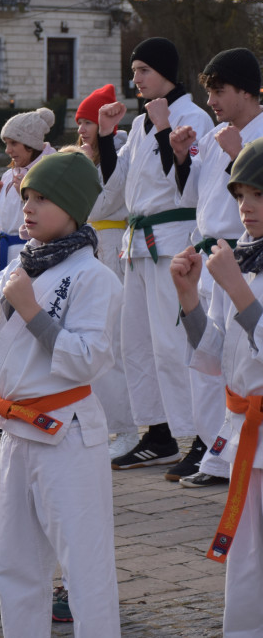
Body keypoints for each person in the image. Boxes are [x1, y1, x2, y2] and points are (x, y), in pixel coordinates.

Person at [0, 152, 121, 637]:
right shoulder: (18, 266)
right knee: (15, 565)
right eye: (26, 196)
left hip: (66, 432)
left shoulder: (96, 278)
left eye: (42, 198)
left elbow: (88, 358)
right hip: (16, 430)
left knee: (83, 563)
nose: (27, 207)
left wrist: (31, 312)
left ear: (72, 209)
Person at [97, 37, 215, 473]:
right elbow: (118, 186)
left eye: (143, 70)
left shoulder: (192, 117)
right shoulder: (146, 121)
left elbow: (189, 182)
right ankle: (159, 432)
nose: (136, 79)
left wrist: (166, 128)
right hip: (139, 246)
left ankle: (203, 437)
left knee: (176, 345)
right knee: (137, 346)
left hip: (173, 244)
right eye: (134, 71)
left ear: (165, 70)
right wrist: (108, 137)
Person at [170, 138, 263, 636]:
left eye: (259, 195)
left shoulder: (238, 272)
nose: (246, 207)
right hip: (246, 428)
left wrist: (238, 289)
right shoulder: (242, 260)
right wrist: (189, 298)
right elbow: (216, 356)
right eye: (241, 194)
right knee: (246, 554)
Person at [169, 48, 263, 488]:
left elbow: (249, 196)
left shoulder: (253, 137)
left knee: (246, 352)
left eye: (220, 90)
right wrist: (183, 157)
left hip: (244, 254)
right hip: (209, 252)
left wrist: (238, 152)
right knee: (208, 355)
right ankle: (213, 447)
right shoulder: (214, 134)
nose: (212, 101)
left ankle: (225, 448)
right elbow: (191, 201)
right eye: (208, 91)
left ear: (247, 89)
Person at [72, 86, 140, 461]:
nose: (82, 129)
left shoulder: (120, 153)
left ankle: (126, 428)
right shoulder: (89, 155)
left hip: (112, 244)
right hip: (92, 243)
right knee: (89, 337)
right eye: (80, 122)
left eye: (88, 122)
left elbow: (104, 199)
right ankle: (101, 419)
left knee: (112, 340)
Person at [0, 108, 57, 281]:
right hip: (4, 254)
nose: (7, 150)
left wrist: (26, 195)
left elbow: (55, 216)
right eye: (6, 143)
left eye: (13, 143)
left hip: (30, 255)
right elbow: (10, 218)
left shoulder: (48, 171)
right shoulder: (8, 174)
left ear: (30, 144)